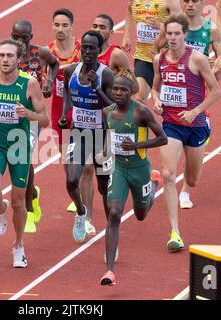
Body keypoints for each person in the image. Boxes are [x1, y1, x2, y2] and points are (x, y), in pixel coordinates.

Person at [0, 39, 49, 267]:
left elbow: (45, 119)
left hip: (19, 146)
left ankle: (18, 246)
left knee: (19, 202)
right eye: (2, 55)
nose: (5, 60)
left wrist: (28, 113)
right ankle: (0, 208)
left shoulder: (29, 84)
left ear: (19, 59)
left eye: (10, 56)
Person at [151, 13, 220, 253]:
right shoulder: (159, 59)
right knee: (169, 174)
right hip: (171, 124)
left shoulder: (197, 59)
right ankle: (175, 232)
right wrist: (156, 100)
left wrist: (196, 111)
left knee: (191, 180)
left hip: (196, 125)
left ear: (184, 35)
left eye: (176, 34)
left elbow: (216, 91)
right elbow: (155, 87)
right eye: (168, 33)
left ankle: (188, 183)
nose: (171, 38)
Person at [71, 13, 140, 237]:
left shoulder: (113, 61)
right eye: (94, 25)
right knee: (81, 172)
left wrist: (105, 88)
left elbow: (130, 92)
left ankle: (109, 223)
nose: (98, 29)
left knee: (104, 183)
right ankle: (85, 216)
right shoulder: (78, 63)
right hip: (81, 130)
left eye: (102, 27)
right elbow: (66, 81)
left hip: (105, 131)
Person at [0, 20, 59, 233]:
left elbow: (55, 64)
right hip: (6, 120)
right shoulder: (1, 56)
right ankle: (33, 194)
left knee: (23, 159)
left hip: (30, 118)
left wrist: (49, 82)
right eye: (15, 36)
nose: (19, 41)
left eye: (24, 37)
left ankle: (28, 211)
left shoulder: (41, 53)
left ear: (31, 37)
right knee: (18, 162)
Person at [100, 71, 167, 286]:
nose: (118, 93)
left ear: (131, 93)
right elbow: (109, 135)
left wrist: (136, 146)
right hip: (119, 168)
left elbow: (162, 139)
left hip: (139, 170)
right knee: (114, 213)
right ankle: (109, 271)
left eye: (123, 90)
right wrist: (104, 152)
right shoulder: (107, 112)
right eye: (115, 89)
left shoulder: (141, 112)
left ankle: (153, 186)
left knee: (140, 214)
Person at [58, 30, 115, 244]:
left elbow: (112, 108)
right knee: (71, 180)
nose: (88, 51)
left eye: (92, 48)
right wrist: (65, 115)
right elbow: (66, 91)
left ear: (99, 51)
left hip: (102, 136)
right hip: (79, 133)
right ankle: (81, 213)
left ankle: (111, 231)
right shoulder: (70, 71)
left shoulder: (106, 75)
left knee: (103, 187)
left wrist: (96, 88)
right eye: (85, 47)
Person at [122, 0, 181, 103]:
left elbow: (181, 26)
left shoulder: (170, 1)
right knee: (139, 98)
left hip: (167, 59)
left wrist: (160, 26)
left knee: (172, 102)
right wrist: (126, 35)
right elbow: (130, 8)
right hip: (143, 57)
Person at [48, 8, 81, 151]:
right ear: (52, 26)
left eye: (65, 25)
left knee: (85, 160)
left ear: (72, 27)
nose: (60, 29)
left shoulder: (81, 50)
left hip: (79, 107)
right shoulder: (47, 52)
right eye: (57, 25)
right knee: (66, 156)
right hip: (58, 110)